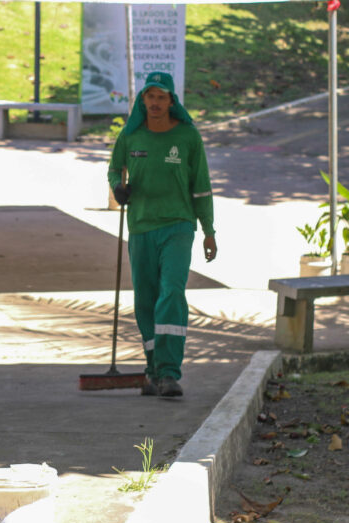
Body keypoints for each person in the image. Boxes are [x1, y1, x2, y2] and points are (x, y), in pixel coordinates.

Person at [106, 71, 217, 399]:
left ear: (172, 101)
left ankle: (170, 372)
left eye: (161, 97)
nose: (155, 103)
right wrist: (117, 187)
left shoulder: (188, 137)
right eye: (150, 96)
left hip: (179, 227)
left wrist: (209, 232)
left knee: (171, 293)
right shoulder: (131, 135)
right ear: (143, 100)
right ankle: (152, 369)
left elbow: (202, 189)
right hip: (140, 228)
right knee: (146, 301)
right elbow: (115, 168)